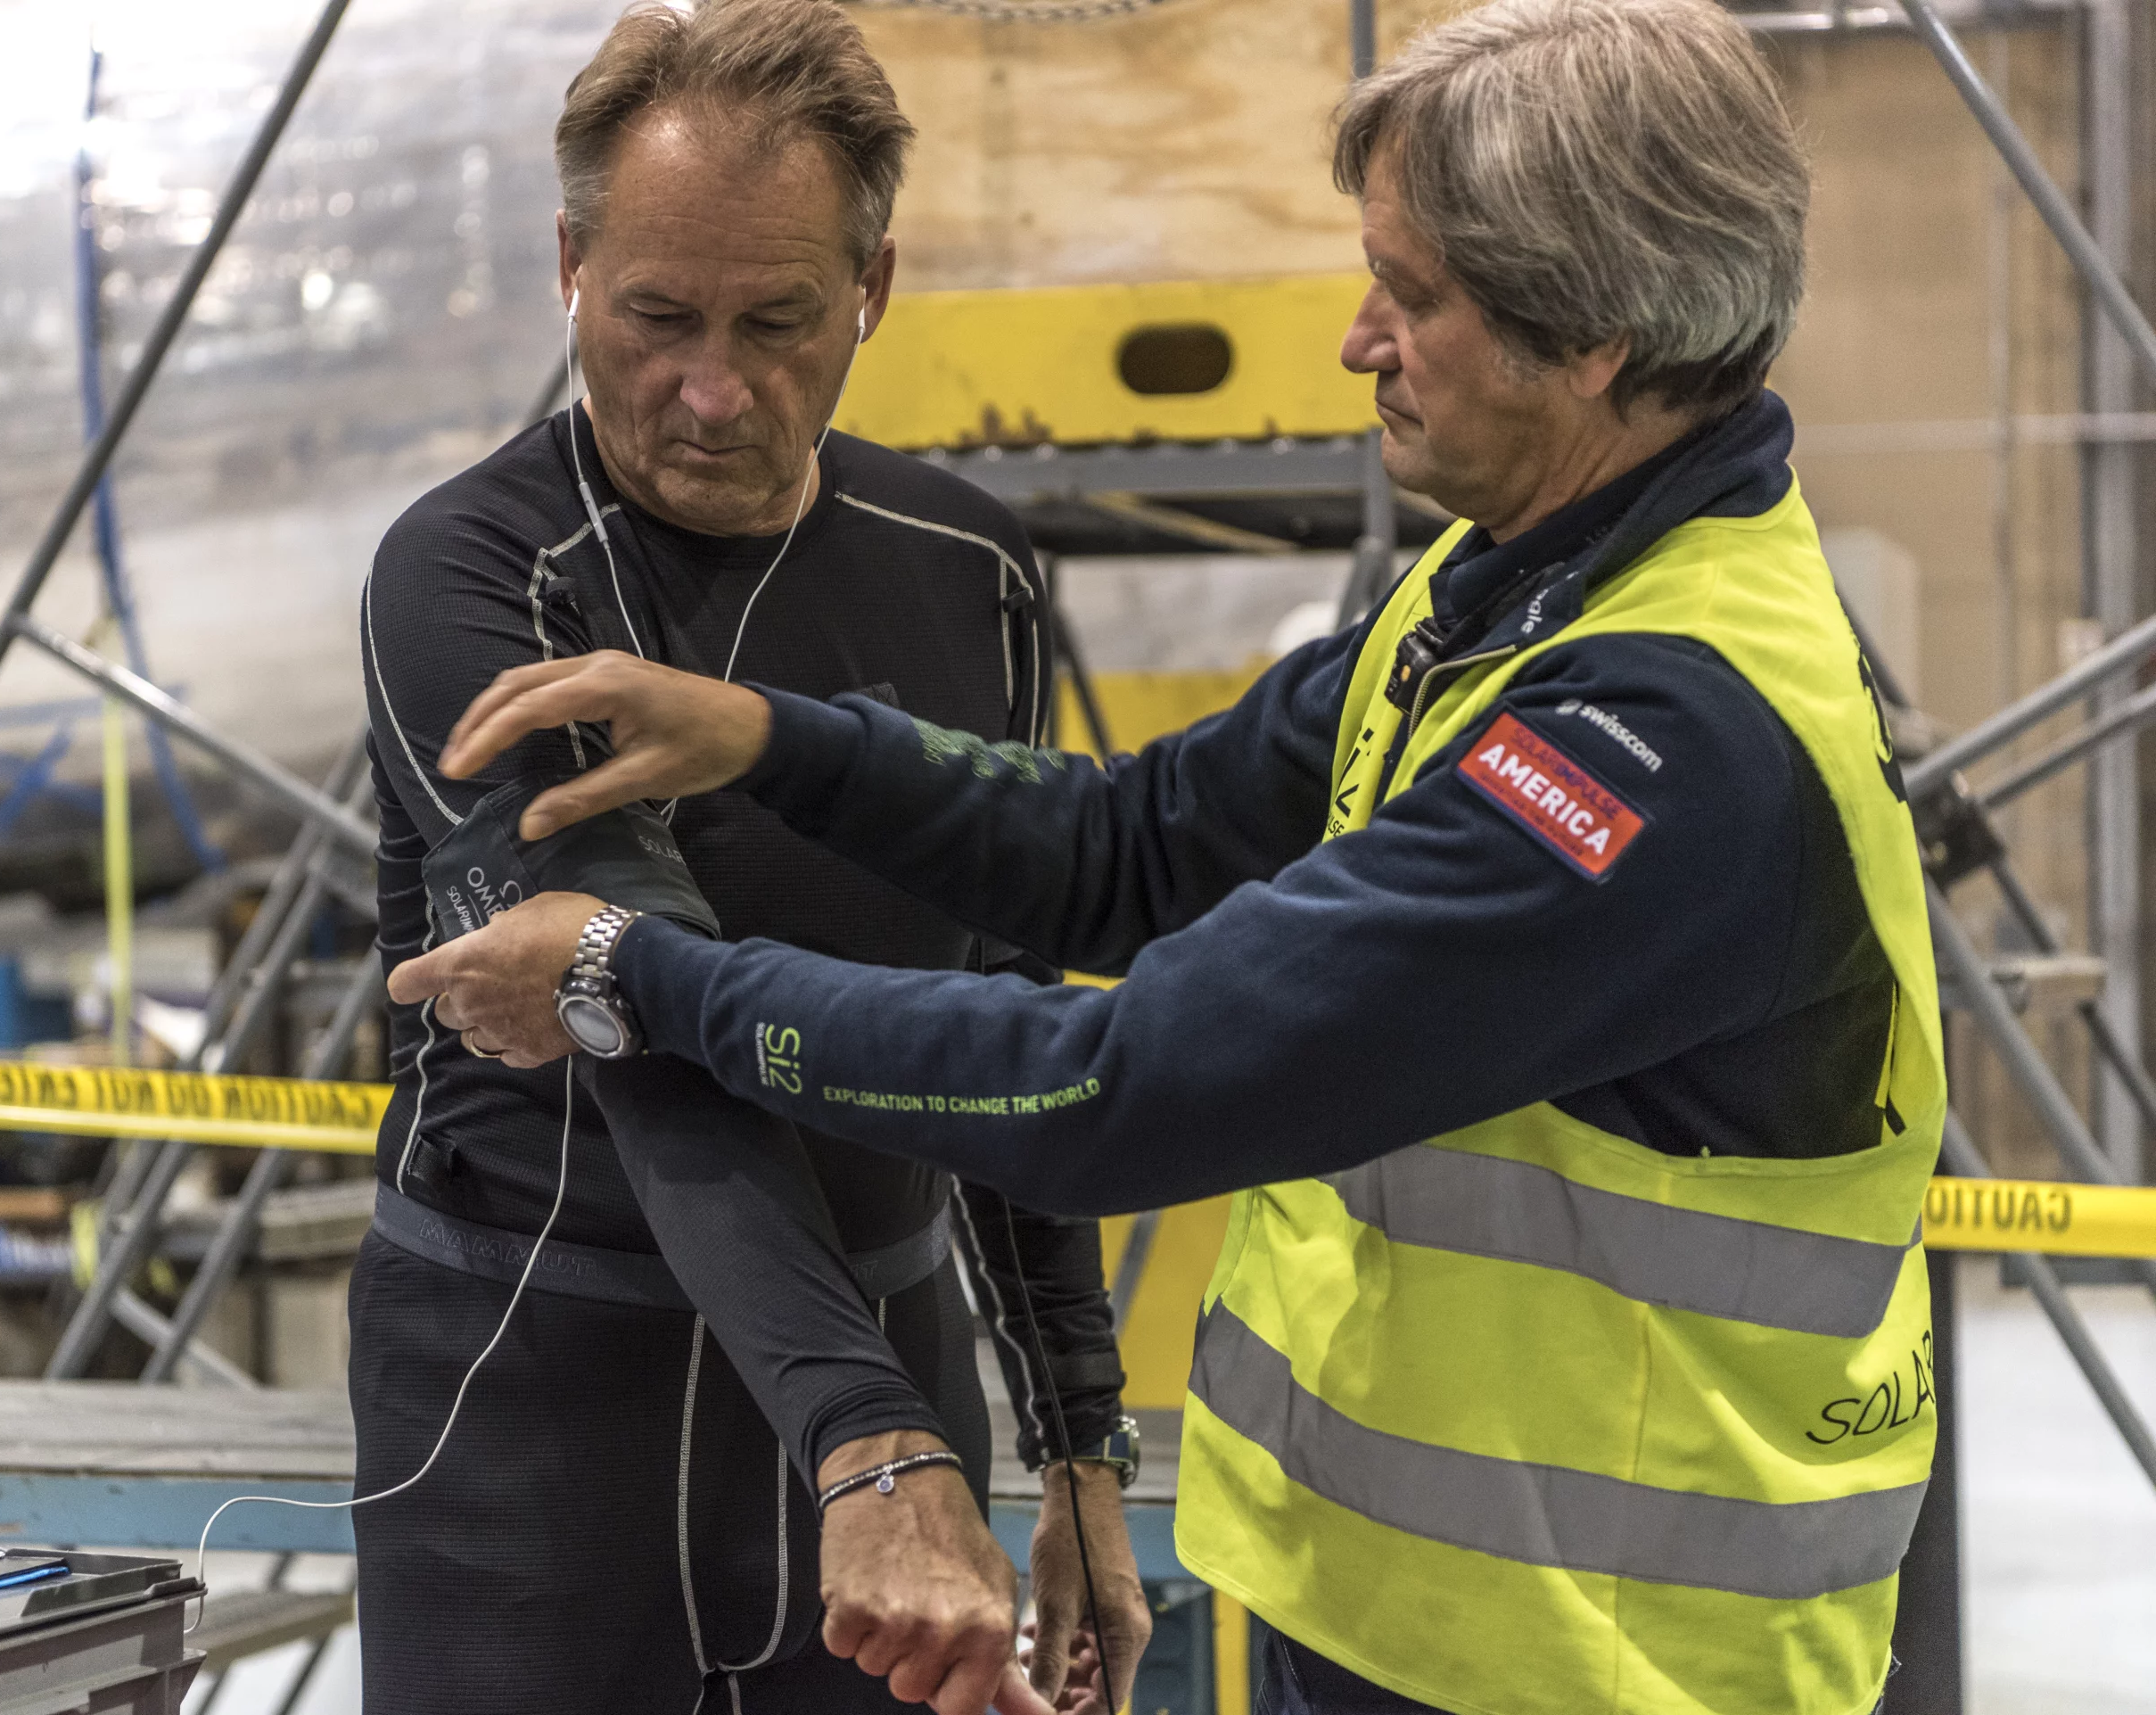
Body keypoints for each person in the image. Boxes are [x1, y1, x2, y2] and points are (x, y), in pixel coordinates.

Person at [394, 3, 1947, 1712]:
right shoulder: (1498, 595)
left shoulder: (1654, 745)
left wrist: (633, 974)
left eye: (1411, 293)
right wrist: (779, 739)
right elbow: (1125, 847)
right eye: (657, 313)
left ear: (1595, 335)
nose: (1360, 338)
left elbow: (1108, 1085)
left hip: (1591, 1654)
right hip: (1389, 1595)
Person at [350, 3, 1148, 1712]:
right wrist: (873, 1441)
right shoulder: (473, 583)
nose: (711, 392)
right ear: (570, 263)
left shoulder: (965, 570)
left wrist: (1080, 1440)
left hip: (880, 1349)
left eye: (779, 321)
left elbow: (1006, 1024)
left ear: (873, 288)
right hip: (533, 1396)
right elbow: (631, 1022)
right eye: (655, 317)